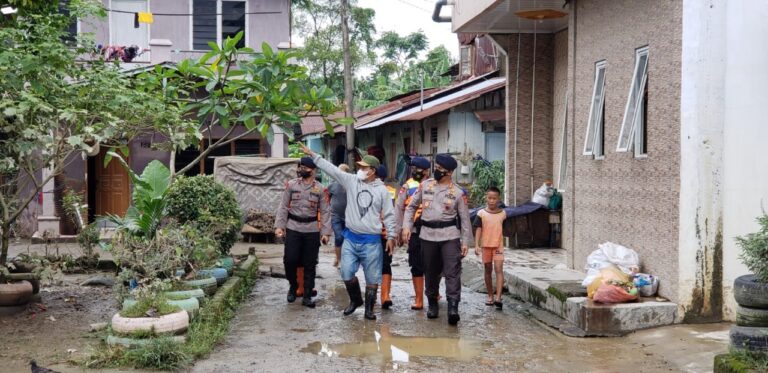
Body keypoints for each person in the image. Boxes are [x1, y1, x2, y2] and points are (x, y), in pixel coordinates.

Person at [299, 142, 397, 320]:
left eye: (364, 167)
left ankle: (369, 309)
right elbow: (333, 170)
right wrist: (313, 155)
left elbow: (390, 215)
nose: (359, 169)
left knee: (372, 276)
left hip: (372, 240)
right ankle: (355, 300)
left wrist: (391, 236)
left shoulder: (382, 191)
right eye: (360, 166)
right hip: (351, 238)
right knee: (346, 272)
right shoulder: (351, 181)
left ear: (372, 171)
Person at [402, 154, 472, 325]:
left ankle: (453, 307)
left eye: (440, 169)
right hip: (427, 235)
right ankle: (432, 303)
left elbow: (464, 219)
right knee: (431, 271)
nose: (437, 171)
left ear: (449, 172)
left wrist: (465, 242)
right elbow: (411, 207)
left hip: (449, 236)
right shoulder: (425, 186)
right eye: (437, 168)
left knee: (452, 271)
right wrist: (406, 226)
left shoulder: (457, 192)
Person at [274, 157, 331, 308]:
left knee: (310, 264)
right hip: (293, 227)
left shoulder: (320, 189)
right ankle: (293, 286)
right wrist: (280, 226)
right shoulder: (291, 185)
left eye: (305, 167)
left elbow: (325, 212)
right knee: (290, 260)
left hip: (311, 229)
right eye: (300, 166)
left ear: (313, 170)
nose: (301, 169)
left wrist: (326, 233)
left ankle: (307, 296)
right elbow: (283, 206)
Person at [394, 156, 431, 310]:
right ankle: (418, 299)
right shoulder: (407, 186)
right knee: (416, 265)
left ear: (427, 171)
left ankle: (433, 292)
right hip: (414, 231)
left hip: (433, 231)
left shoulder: (434, 185)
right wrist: (399, 230)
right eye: (413, 169)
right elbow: (399, 208)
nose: (415, 172)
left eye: (418, 169)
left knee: (433, 264)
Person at [473, 186, 507, 310]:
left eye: (494, 198)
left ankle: (498, 297)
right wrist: (477, 245)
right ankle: (490, 296)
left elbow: (506, 228)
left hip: (498, 246)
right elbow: (478, 229)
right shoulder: (481, 213)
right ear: (486, 198)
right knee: (487, 270)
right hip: (485, 246)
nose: (492, 201)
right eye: (489, 198)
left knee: (498, 268)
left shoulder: (503, 214)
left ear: (499, 199)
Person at [376, 164, 397, 309]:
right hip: (368, 234)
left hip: (383, 234)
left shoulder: (389, 192)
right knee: (374, 265)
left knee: (384, 263)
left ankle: (385, 296)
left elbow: (391, 213)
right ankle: (377, 295)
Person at [328, 164, 351, 267]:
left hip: (349, 216)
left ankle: (342, 258)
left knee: (347, 239)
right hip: (335, 215)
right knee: (338, 237)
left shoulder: (351, 185)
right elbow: (326, 198)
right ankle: (338, 259)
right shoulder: (332, 185)